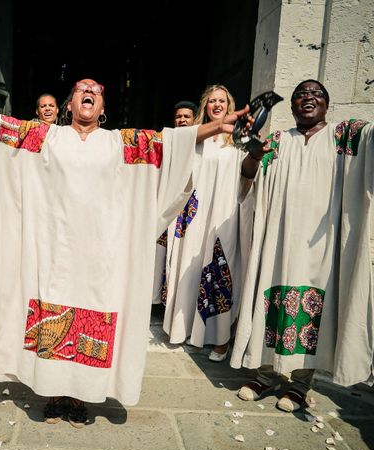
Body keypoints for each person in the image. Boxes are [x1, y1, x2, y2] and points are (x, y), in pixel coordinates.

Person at [0, 70, 250, 427]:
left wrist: (216, 126)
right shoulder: (44, 137)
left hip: (100, 252)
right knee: (53, 313)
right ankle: (54, 392)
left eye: (95, 90)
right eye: (81, 89)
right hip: (53, 248)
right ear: (70, 104)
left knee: (92, 317)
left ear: (102, 107)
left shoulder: (120, 143)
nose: (88, 92)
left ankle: (81, 395)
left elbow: (173, 142)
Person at [231, 79, 374, 413]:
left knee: (313, 310)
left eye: (316, 95)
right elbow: (248, 175)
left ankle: (299, 383)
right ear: (293, 105)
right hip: (280, 238)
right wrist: (253, 154)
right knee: (272, 301)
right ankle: (265, 375)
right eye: (300, 96)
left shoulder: (345, 136)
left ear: (326, 103)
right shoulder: (279, 141)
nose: (308, 99)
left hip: (321, 245)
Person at [162, 86, 247, 362]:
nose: (217, 104)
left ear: (229, 104)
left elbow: (250, 174)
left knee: (222, 268)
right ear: (205, 106)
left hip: (225, 211)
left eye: (222, 100)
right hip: (196, 212)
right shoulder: (197, 135)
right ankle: (185, 328)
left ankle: (220, 339)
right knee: (190, 267)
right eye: (212, 101)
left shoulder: (240, 137)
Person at [152, 99, 199, 307]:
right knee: (160, 256)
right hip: (167, 205)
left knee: (181, 256)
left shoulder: (202, 145)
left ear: (194, 120)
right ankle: (155, 302)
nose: (181, 120)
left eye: (186, 117)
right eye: (178, 117)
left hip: (190, 209)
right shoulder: (167, 142)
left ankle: (175, 304)